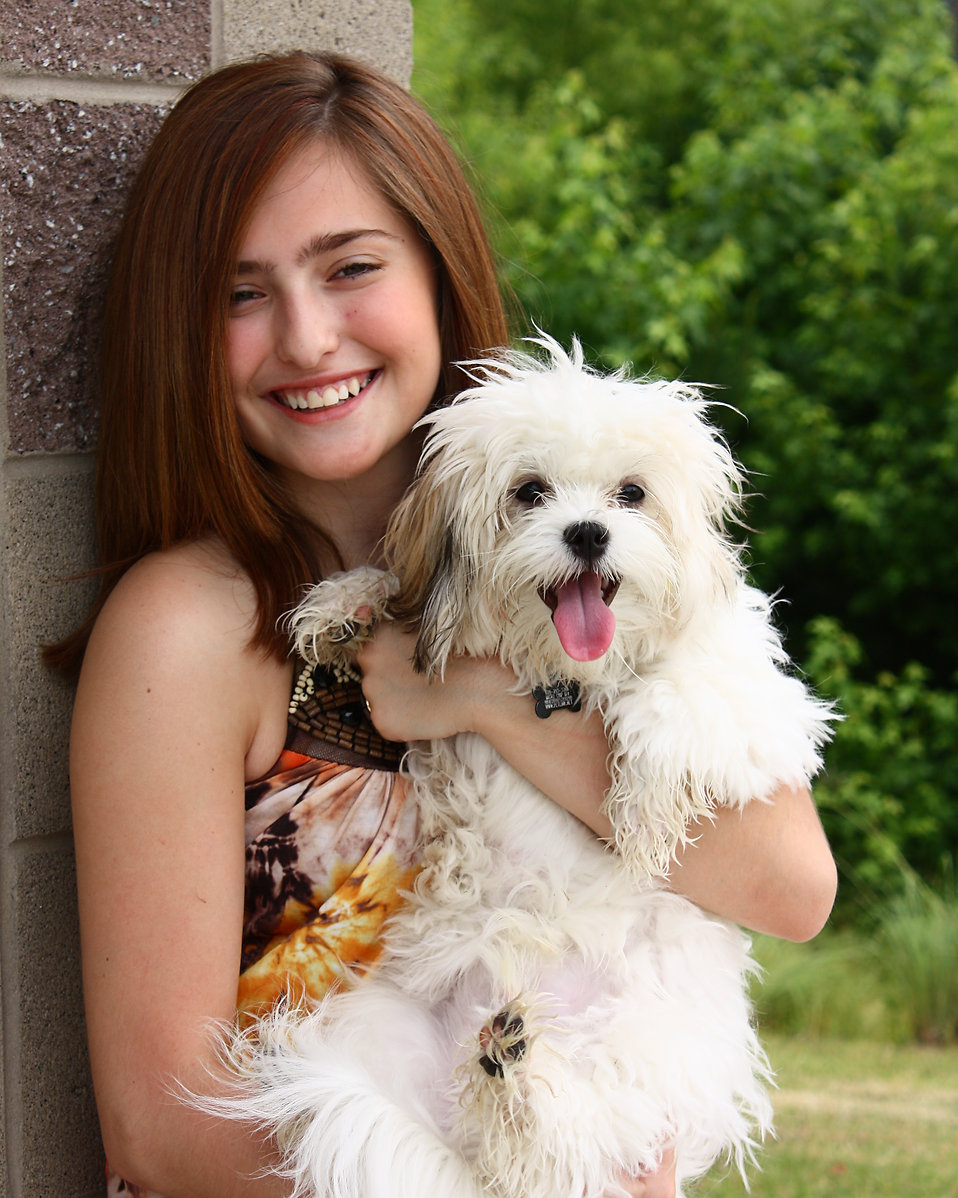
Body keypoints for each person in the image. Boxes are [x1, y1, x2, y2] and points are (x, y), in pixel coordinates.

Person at [54, 52, 837, 1198]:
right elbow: (163, 1124)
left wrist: (481, 701)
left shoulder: (580, 551)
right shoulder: (190, 626)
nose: (310, 338)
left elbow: (789, 885)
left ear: (436, 270)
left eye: (351, 268)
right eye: (239, 292)